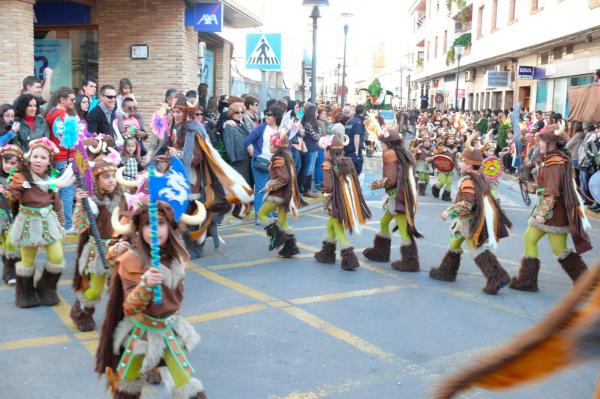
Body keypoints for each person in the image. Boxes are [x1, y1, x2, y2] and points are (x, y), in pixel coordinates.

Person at [96, 195, 208, 399]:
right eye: (149, 224)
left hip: (169, 329)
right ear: (138, 229)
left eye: (161, 223)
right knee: (128, 382)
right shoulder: (131, 259)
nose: (155, 229)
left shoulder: (178, 257)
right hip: (141, 331)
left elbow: (176, 299)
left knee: (186, 384)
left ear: (171, 228)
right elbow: (129, 307)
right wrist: (146, 285)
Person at [510, 122, 592, 292]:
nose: (538, 143)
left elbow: (553, 192)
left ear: (551, 143)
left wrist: (542, 213)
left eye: (541, 141)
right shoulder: (551, 159)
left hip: (552, 213)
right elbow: (547, 187)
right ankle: (527, 281)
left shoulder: (555, 162)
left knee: (559, 249)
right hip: (549, 211)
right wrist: (531, 187)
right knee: (530, 238)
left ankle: (587, 284)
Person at [168, 94, 253, 256]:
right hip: (177, 177)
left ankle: (195, 247)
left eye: (179, 111)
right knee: (179, 213)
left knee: (190, 214)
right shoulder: (176, 128)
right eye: (173, 111)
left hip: (192, 180)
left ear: (186, 112)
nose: (175, 114)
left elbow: (197, 158)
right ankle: (185, 244)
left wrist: (178, 153)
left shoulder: (193, 130)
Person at [429, 134, 512, 294]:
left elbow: (467, 204)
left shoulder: (468, 180)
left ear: (468, 164)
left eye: (462, 161)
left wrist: (449, 211)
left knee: (477, 251)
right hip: (467, 221)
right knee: (454, 243)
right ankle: (446, 272)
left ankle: (497, 277)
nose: (459, 163)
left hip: (469, 221)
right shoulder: (478, 176)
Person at [3, 138, 72, 308]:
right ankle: (25, 294)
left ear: (49, 161)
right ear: (29, 158)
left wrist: (61, 224)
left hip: (48, 221)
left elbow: (57, 203)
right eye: (35, 156)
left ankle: (45, 288)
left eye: (43, 157)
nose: (38, 160)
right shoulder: (20, 176)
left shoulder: (52, 179)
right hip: (27, 222)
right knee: (27, 261)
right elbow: (12, 196)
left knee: (57, 257)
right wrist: (8, 193)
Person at [70, 155, 122, 331]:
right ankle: (81, 312)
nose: (111, 180)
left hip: (119, 249)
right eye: (106, 177)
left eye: (113, 176)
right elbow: (79, 226)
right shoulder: (90, 201)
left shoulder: (123, 197)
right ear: (96, 179)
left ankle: (122, 317)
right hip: (98, 252)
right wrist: (81, 204)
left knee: (123, 287)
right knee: (95, 290)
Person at [363, 128, 423, 272]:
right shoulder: (404, 153)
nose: (380, 145)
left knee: (403, 229)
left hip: (398, 197)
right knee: (384, 222)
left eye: (382, 142)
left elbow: (389, 180)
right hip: (402, 195)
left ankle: (410, 262)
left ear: (387, 143)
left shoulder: (390, 154)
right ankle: (381, 253)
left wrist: (375, 184)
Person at [314, 134, 370, 270]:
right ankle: (327, 253)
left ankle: (349, 258)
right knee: (331, 226)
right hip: (348, 199)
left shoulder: (327, 164)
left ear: (328, 151)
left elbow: (328, 187)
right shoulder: (348, 162)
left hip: (336, 201)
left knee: (338, 228)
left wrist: (326, 203)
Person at [257, 129, 301, 258]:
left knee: (262, 214)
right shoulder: (287, 155)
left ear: (277, 146)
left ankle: (277, 236)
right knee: (282, 220)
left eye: (271, 144)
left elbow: (284, 178)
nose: (269, 146)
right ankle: (290, 247)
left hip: (278, 195)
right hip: (287, 195)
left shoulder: (278, 159)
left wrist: (270, 185)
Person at [46, 86, 77, 232]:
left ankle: (63, 224)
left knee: (62, 191)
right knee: (67, 191)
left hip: (60, 158)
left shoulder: (54, 114)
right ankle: (68, 225)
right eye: (71, 99)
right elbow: (64, 140)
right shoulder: (61, 116)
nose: (74, 102)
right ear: (62, 99)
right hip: (64, 158)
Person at [244, 106, 283, 223]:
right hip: (260, 162)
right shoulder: (261, 128)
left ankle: (268, 214)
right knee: (261, 189)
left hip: (274, 164)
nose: (267, 116)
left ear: (276, 117)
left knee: (270, 190)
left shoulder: (280, 130)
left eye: (269, 115)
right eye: (266, 114)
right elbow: (247, 141)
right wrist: (253, 153)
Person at [0, 144, 23, 285]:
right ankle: (7, 268)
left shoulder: (21, 178)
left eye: (13, 163)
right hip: (1, 215)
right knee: (4, 245)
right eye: (6, 162)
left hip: (16, 216)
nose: (8, 166)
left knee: (13, 243)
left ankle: (11, 270)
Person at [222, 102, 251, 183]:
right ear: (232, 113)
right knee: (240, 183)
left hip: (246, 158)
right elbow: (229, 144)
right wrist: (232, 159)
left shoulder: (242, 124)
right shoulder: (229, 126)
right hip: (237, 160)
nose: (240, 114)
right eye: (237, 112)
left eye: (242, 112)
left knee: (246, 183)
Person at [300, 103, 320, 198]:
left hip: (314, 147)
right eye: (315, 112)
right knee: (308, 170)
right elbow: (315, 136)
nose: (317, 113)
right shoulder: (307, 123)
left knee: (310, 169)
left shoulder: (311, 122)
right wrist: (321, 136)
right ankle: (306, 190)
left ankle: (307, 189)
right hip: (309, 148)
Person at [432, 133, 459, 201]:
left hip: (451, 168)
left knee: (449, 182)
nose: (452, 140)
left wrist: (457, 168)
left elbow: (455, 159)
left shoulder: (455, 148)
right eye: (450, 139)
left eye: (453, 139)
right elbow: (436, 155)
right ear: (446, 140)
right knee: (442, 181)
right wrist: (438, 151)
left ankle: (446, 196)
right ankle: (435, 188)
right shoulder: (442, 147)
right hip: (443, 167)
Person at [344, 104, 366, 174]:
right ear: (363, 112)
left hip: (347, 148)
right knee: (356, 170)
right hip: (354, 150)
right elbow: (357, 135)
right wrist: (356, 151)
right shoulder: (358, 121)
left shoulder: (349, 121)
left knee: (348, 170)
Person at [413, 129, 435, 195]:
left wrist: (431, 158)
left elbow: (437, 157)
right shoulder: (419, 147)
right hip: (420, 164)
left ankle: (423, 188)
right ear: (423, 142)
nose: (427, 143)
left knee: (427, 178)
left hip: (428, 165)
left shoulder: (433, 148)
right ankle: (421, 191)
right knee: (421, 177)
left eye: (428, 141)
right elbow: (414, 155)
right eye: (425, 141)